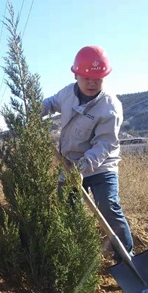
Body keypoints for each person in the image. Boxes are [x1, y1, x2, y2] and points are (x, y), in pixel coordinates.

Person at [42, 45, 133, 262]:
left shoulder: (110, 106)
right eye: (87, 77)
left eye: (98, 78)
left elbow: (105, 143)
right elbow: (50, 104)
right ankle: (74, 257)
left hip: (101, 165)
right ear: (76, 74)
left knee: (108, 207)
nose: (92, 82)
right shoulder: (67, 93)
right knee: (67, 210)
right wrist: (34, 111)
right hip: (69, 164)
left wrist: (84, 166)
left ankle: (126, 257)